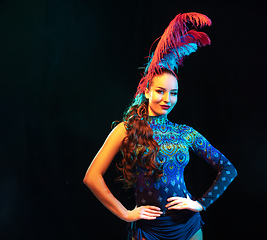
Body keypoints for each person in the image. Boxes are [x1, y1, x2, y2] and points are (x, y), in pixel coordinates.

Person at [83, 13, 237, 240]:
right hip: (150, 230)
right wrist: (125, 214)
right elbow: (92, 177)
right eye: (160, 91)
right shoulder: (126, 130)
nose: (167, 99)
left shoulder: (185, 133)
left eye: (173, 93)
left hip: (188, 227)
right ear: (147, 92)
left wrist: (200, 204)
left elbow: (228, 169)